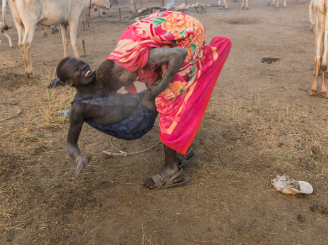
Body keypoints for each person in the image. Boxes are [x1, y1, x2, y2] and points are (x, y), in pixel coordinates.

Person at [96, 11, 232, 189]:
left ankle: (171, 170)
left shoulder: (136, 56)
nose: (130, 83)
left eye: (124, 83)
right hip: (178, 31)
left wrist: (162, 85)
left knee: (168, 100)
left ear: (120, 73)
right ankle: (183, 151)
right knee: (160, 89)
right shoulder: (121, 54)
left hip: (188, 37)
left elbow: (179, 54)